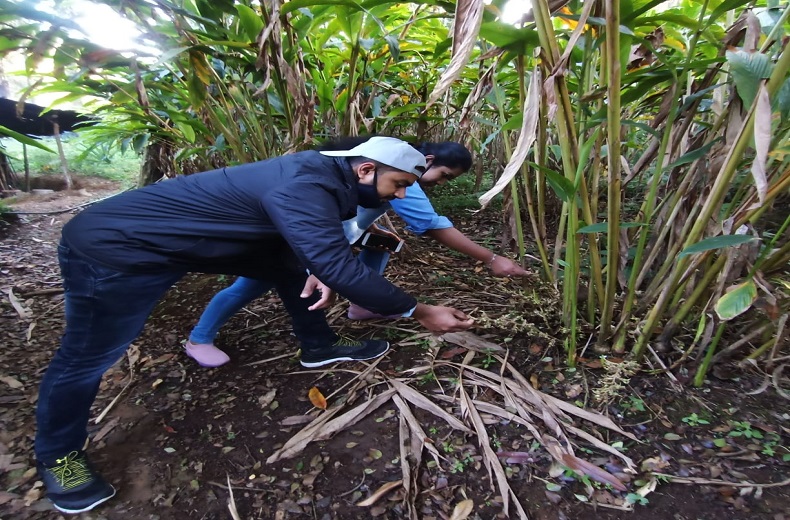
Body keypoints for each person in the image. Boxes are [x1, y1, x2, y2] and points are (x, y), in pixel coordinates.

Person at [35, 136, 474, 514]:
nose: (400, 196)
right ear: (364, 169)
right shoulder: (307, 184)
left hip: (193, 239)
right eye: (399, 185)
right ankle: (58, 457)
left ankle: (318, 345)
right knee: (88, 356)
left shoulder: (328, 176)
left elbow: (315, 244)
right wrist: (417, 309)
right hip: (119, 248)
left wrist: (318, 260)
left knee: (287, 265)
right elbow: (335, 261)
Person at [185, 137, 527, 367]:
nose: (437, 184)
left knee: (384, 243)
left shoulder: (391, 169)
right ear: (428, 160)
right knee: (252, 284)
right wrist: (491, 259)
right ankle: (199, 338)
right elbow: (432, 225)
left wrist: (368, 228)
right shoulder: (400, 172)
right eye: (443, 175)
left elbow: (358, 209)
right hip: (306, 234)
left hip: (331, 231)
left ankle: (363, 305)